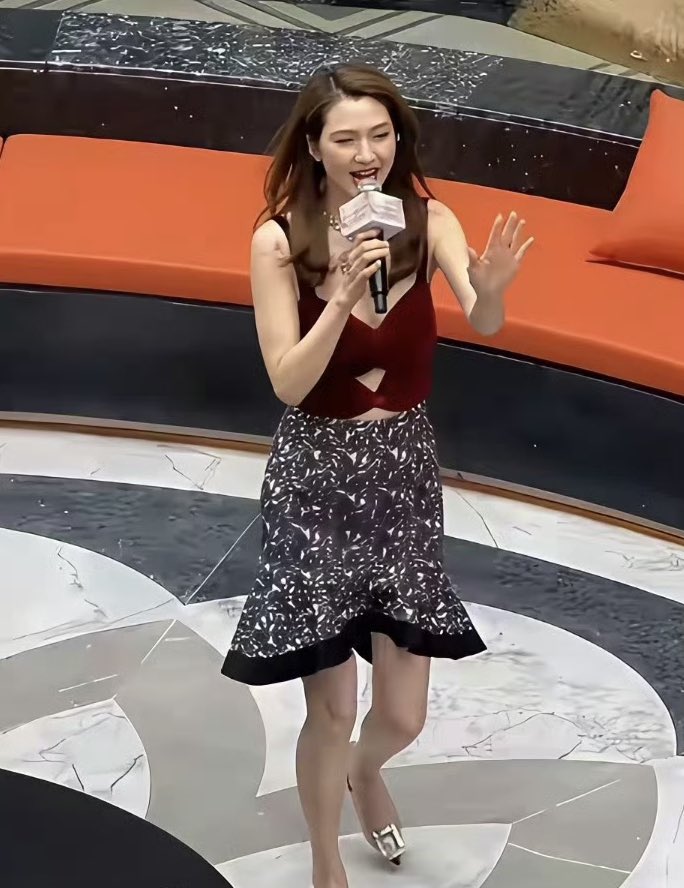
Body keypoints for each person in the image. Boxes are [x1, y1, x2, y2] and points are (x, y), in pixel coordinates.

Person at [222, 63, 534, 888]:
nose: (367, 154)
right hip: (315, 480)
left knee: (402, 712)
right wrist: (340, 297)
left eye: (381, 135)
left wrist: (492, 292)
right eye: (347, 138)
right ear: (314, 147)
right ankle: (327, 862)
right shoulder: (278, 241)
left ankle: (369, 768)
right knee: (332, 707)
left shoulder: (428, 221)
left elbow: (485, 316)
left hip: (402, 475)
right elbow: (288, 382)